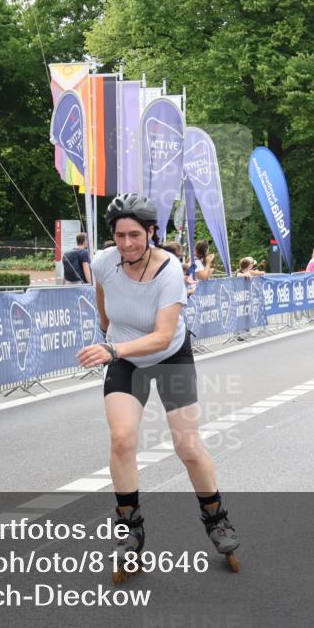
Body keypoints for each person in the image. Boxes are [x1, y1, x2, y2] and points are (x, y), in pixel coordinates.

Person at [77, 193, 240, 580]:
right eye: (119, 235)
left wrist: (111, 347)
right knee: (121, 439)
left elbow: (163, 335)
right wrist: (108, 332)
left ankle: (217, 520)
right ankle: (129, 529)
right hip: (125, 358)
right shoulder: (103, 262)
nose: (127, 243)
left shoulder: (169, 271)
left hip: (168, 355)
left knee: (187, 445)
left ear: (151, 232)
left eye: (135, 234)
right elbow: (102, 294)